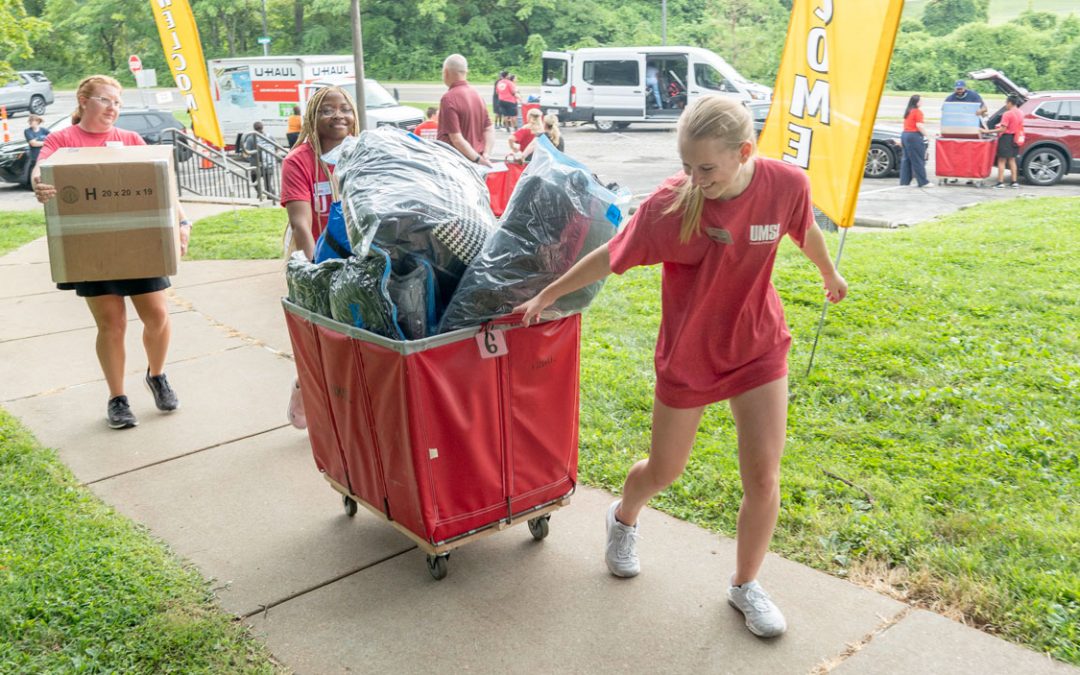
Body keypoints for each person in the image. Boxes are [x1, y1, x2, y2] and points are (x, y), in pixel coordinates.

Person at [514, 96, 847, 638]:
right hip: (690, 354)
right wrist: (547, 294)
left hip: (758, 346)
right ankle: (623, 517)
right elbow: (611, 255)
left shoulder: (786, 185)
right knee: (665, 471)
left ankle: (745, 585)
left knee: (763, 476)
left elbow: (801, 227)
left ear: (745, 151)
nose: (694, 178)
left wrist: (828, 272)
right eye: (687, 165)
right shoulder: (674, 203)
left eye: (707, 168)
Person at [31, 75, 192, 430]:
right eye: (105, 100)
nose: (112, 108)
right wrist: (40, 186)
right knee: (112, 324)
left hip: (139, 242)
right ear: (83, 101)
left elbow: (162, 186)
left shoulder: (130, 140)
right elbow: (40, 171)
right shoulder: (63, 140)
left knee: (157, 316)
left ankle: (157, 375)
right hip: (94, 247)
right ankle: (117, 399)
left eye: (117, 102)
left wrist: (182, 223)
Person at [280, 85, 360, 429]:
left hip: (359, 261)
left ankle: (347, 406)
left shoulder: (362, 153)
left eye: (345, 108)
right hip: (315, 262)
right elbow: (300, 223)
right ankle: (304, 387)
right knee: (317, 340)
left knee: (356, 340)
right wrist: (319, 270)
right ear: (313, 116)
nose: (338, 115)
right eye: (328, 110)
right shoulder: (298, 161)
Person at [437, 53, 494, 167]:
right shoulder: (477, 95)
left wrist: (477, 160)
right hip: (478, 162)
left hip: (457, 164)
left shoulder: (448, 98)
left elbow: (456, 139)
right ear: (466, 72)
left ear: (446, 72)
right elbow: (489, 128)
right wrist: (486, 154)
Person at [899, 94, 932, 188]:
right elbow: (919, 125)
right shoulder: (918, 112)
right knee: (918, 159)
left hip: (905, 135)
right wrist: (927, 135)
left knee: (906, 159)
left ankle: (904, 181)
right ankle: (923, 182)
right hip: (914, 136)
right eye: (921, 100)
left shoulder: (908, 111)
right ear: (917, 102)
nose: (922, 102)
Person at [993, 94, 1024, 189]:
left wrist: (987, 131)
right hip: (1016, 137)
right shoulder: (1021, 113)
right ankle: (1014, 182)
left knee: (1001, 160)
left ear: (1010, 103)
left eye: (1006, 103)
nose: (1005, 105)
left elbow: (1002, 129)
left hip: (1006, 138)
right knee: (1012, 159)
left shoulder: (1007, 114)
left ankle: (1000, 182)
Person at [242, 121, 276, 193]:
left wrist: (246, 157)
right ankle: (272, 198)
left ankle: (260, 194)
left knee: (254, 180)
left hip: (256, 165)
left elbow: (246, 153)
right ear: (263, 127)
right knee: (268, 185)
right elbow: (277, 148)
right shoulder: (269, 136)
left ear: (254, 128)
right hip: (269, 164)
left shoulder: (251, 138)